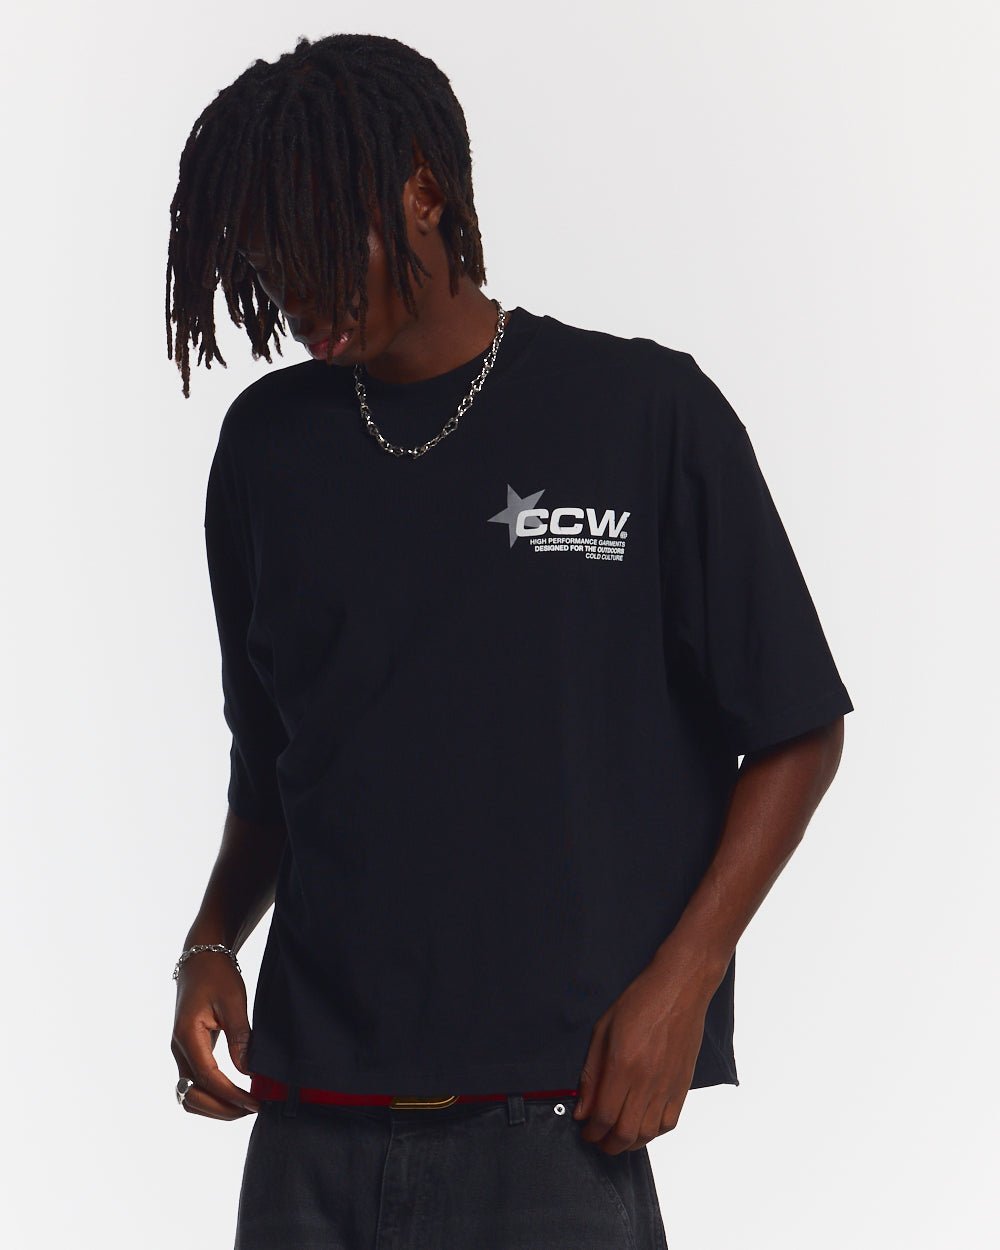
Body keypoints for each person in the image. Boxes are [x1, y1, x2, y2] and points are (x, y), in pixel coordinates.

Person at [167, 32, 854, 1250]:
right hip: (309, 1132)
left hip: (552, 1127)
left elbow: (796, 725)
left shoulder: (643, 414)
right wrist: (212, 938)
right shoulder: (267, 448)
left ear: (424, 192)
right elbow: (270, 765)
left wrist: (683, 980)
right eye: (268, 262)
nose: (293, 294)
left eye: (316, 245)